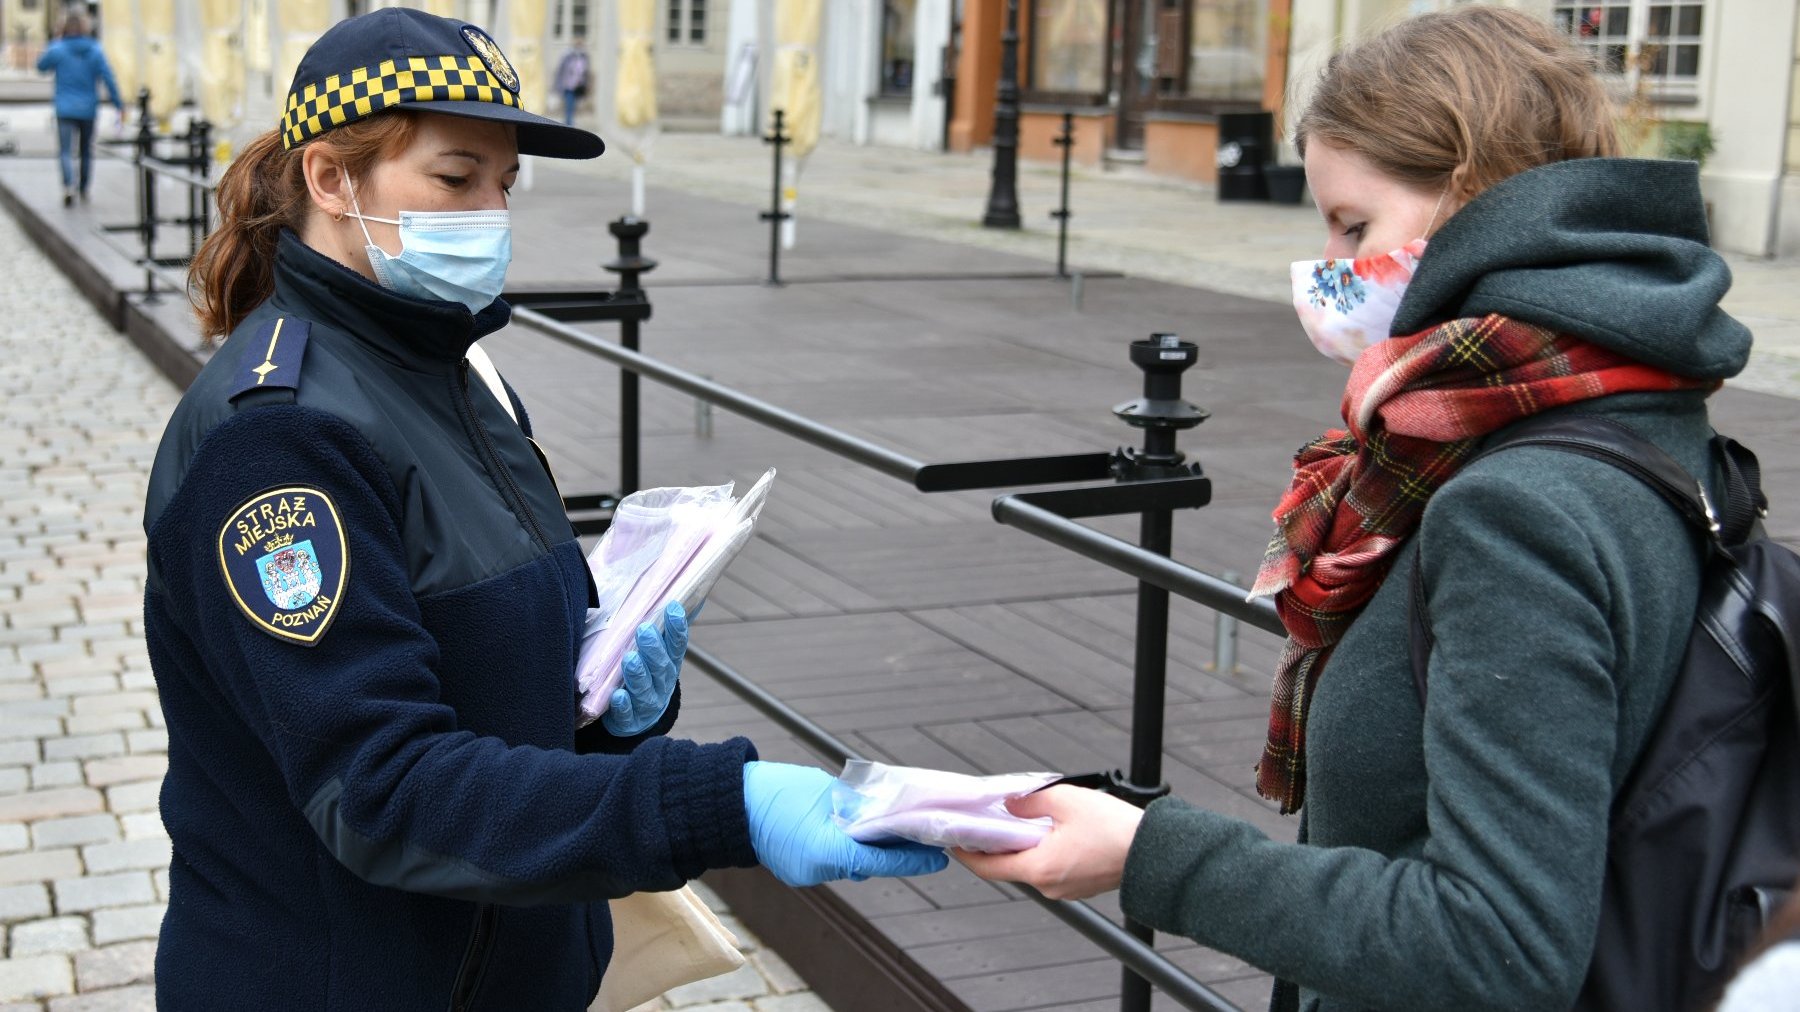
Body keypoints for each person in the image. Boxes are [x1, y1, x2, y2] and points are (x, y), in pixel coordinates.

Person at [959, 6, 1752, 1010]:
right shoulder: (1633, 402)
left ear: (1472, 198)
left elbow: (1494, 944)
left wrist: (1153, 852)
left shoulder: (1517, 509)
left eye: (1354, 226)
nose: (1329, 270)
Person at [149, 10, 944, 1010]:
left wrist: (606, 710)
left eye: (503, 182)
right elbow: (383, 790)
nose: (490, 210)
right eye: (454, 177)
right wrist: (718, 804)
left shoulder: (460, 375)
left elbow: (488, 687)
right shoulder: (277, 439)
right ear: (329, 179)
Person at [36, 13, 123, 207]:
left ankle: (68, 185)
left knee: (65, 151)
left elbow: (40, 66)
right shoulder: (95, 50)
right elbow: (108, 77)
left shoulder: (58, 48)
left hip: (65, 108)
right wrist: (118, 103)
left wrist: (54, 40)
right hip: (88, 109)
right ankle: (84, 187)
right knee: (86, 150)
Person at [554, 35, 590, 126]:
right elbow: (561, 71)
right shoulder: (567, 56)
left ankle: (569, 122)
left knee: (574, 106)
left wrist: (586, 84)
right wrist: (558, 85)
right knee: (569, 105)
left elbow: (585, 73)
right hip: (568, 85)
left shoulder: (584, 57)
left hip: (578, 86)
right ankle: (568, 123)